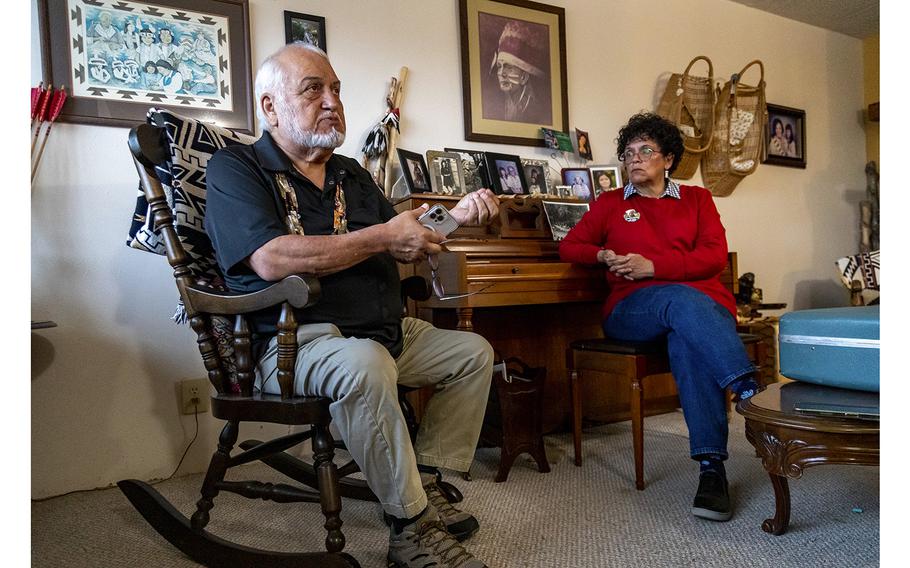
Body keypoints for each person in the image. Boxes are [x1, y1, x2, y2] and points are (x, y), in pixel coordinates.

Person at [204, 42, 498, 568]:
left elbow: (402, 235)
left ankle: (420, 482)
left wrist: (454, 220)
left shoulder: (351, 175)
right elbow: (270, 259)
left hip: (384, 330)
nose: (332, 101)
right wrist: (383, 238)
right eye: (312, 89)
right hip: (296, 342)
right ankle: (409, 529)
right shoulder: (238, 168)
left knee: (472, 353)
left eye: (336, 88)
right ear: (270, 107)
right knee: (366, 365)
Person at [559, 112, 760, 523]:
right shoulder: (610, 204)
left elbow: (713, 257)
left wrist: (654, 267)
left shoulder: (697, 200)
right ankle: (747, 388)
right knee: (677, 302)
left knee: (684, 335)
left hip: (697, 307)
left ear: (668, 159)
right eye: (629, 152)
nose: (635, 158)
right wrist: (599, 254)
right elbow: (570, 246)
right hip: (631, 310)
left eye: (645, 150)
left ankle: (711, 471)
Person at [489, 20, 551, 124]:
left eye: (508, 67)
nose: (501, 73)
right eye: (499, 66)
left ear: (524, 77)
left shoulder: (537, 111)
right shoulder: (495, 105)